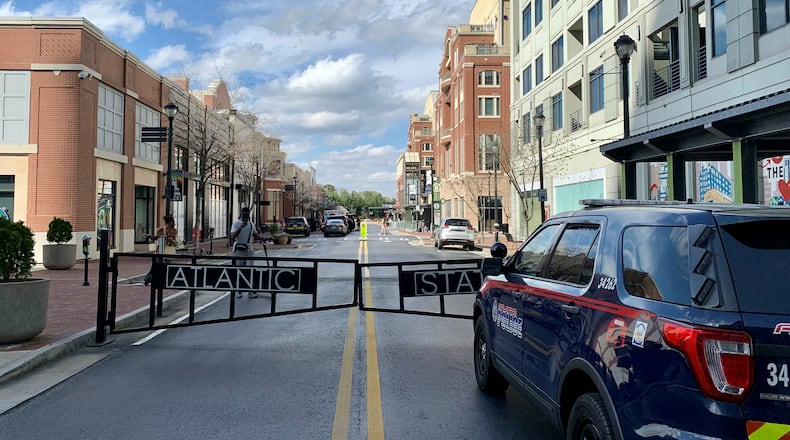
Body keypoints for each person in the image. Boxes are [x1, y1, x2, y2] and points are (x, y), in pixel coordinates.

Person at [231, 207, 263, 298]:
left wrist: (265, 239)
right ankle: (239, 291)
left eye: (247, 213)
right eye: (244, 213)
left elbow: (256, 235)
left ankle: (250, 291)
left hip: (249, 250)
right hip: (239, 250)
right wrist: (240, 228)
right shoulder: (236, 223)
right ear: (241, 213)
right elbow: (232, 236)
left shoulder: (251, 224)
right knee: (240, 270)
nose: (245, 214)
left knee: (250, 271)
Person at [143, 215, 178, 286]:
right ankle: (148, 279)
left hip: (169, 250)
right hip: (161, 250)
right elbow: (155, 238)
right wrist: (149, 236)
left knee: (168, 266)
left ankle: (166, 280)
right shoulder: (161, 230)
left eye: (172, 222)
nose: (172, 224)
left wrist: (172, 240)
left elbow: (175, 241)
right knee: (155, 266)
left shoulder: (174, 230)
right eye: (171, 222)